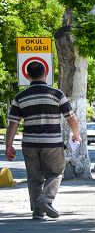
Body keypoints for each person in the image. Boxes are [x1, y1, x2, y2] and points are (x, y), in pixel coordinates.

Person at [5, 61, 81, 220]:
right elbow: (71, 117)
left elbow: (13, 123)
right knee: (55, 173)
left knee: (34, 178)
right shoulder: (57, 94)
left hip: (29, 144)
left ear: (27, 75)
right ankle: (45, 200)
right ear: (45, 72)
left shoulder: (20, 97)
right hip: (52, 143)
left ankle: (38, 212)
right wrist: (76, 134)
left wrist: (9, 145)